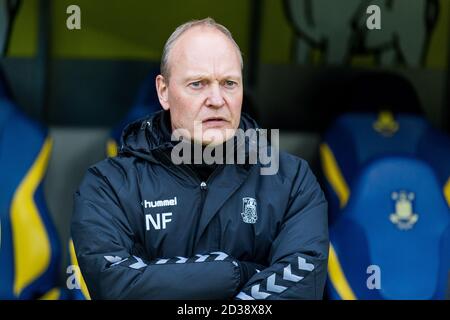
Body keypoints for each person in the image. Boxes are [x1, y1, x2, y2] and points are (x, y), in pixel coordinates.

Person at [71, 17, 329, 300]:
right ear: (164, 91)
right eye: (198, 84)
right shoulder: (108, 185)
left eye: (229, 83)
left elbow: (302, 288)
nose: (217, 99)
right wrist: (236, 272)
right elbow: (117, 288)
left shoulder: (292, 180)